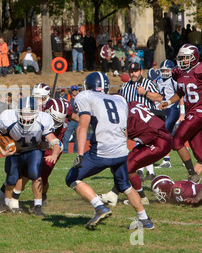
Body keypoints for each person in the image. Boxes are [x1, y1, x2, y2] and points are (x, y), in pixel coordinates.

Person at [65, 72, 154, 230]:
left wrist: (79, 154)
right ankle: (145, 220)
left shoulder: (86, 96)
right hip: (121, 150)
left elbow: (83, 126)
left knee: (71, 177)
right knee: (125, 186)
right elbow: (124, 130)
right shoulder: (119, 99)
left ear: (89, 86)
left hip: (101, 151)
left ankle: (99, 207)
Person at [0, 97, 78, 209]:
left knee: (38, 175)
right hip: (25, 147)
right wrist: (3, 148)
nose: (56, 123)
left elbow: (56, 142)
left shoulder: (49, 118)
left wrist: (53, 152)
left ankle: (34, 201)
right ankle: (8, 198)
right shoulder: (18, 118)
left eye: (59, 121)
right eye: (55, 120)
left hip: (45, 148)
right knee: (15, 175)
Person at [99, 101, 172, 206]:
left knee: (127, 167)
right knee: (125, 165)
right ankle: (115, 195)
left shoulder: (125, 117)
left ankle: (140, 198)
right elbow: (158, 114)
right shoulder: (133, 104)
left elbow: (121, 137)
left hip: (159, 143)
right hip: (154, 140)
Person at [160, 44, 202, 183]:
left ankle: (192, 174)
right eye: (181, 58)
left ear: (194, 58)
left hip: (199, 113)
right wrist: (168, 102)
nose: (182, 61)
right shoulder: (180, 73)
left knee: (176, 141)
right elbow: (180, 93)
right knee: (199, 152)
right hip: (192, 113)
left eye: (185, 58)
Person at [118, 61, 162, 180]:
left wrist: (145, 93)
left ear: (141, 72)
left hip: (147, 120)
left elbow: (159, 97)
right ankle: (144, 171)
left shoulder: (148, 83)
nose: (133, 74)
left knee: (144, 144)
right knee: (140, 145)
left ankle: (144, 171)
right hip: (132, 121)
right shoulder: (125, 86)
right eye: (131, 72)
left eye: (136, 71)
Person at [155, 60, 183, 168]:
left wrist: (182, 112)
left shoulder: (174, 80)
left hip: (172, 108)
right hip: (162, 109)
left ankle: (166, 160)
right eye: (163, 70)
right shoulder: (158, 80)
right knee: (166, 133)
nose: (165, 72)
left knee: (165, 132)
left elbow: (181, 95)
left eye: (167, 70)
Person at [62, 85, 79, 154]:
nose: (74, 91)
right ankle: (65, 151)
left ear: (77, 91)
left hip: (78, 119)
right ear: (71, 91)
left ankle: (76, 151)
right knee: (66, 136)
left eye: (75, 90)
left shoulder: (80, 98)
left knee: (78, 137)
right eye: (73, 90)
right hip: (70, 119)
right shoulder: (67, 97)